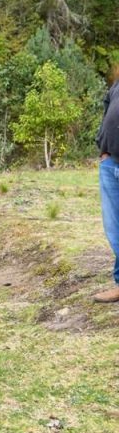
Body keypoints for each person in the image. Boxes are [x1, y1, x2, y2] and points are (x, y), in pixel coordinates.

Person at [94, 71, 119, 302]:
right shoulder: (117, 85)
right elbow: (107, 112)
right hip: (110, 163)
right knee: (114, 229)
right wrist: (102, 148)